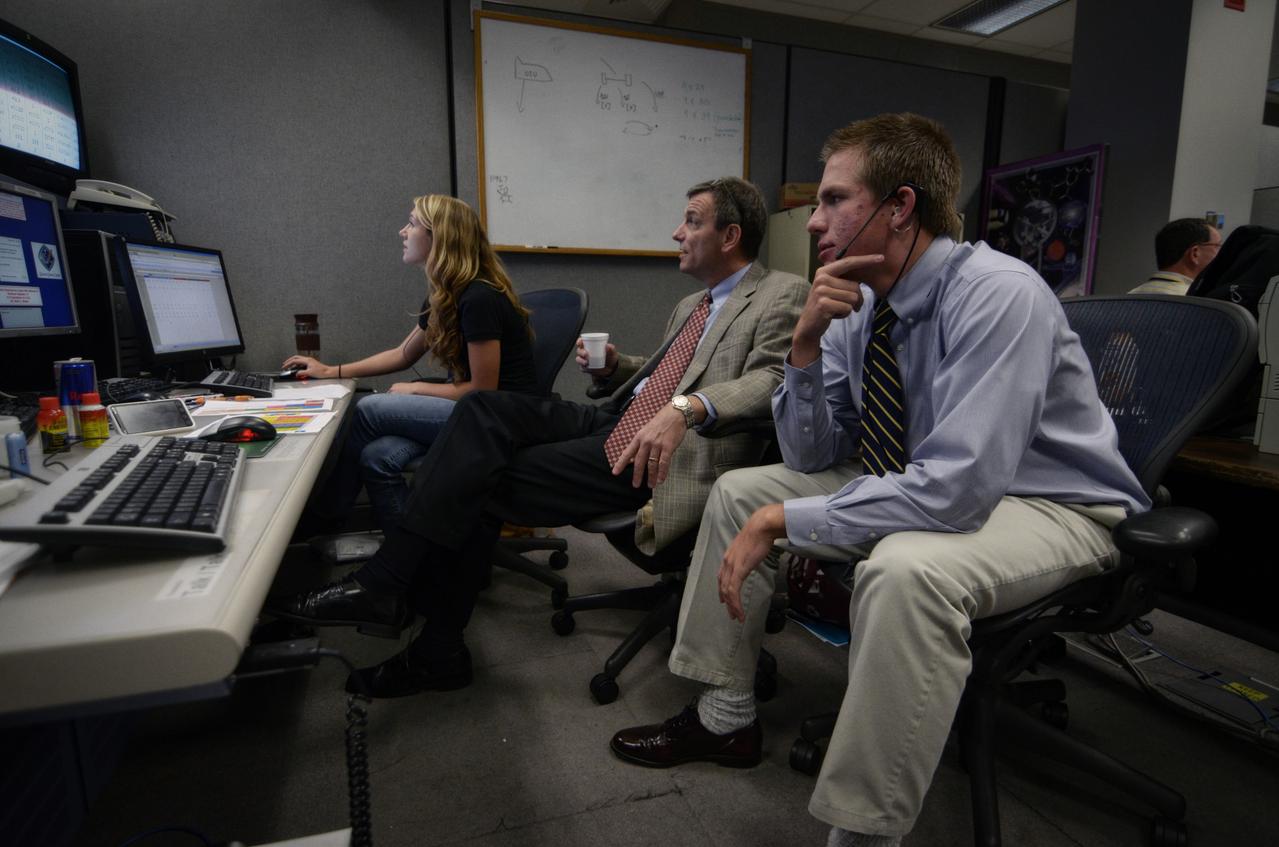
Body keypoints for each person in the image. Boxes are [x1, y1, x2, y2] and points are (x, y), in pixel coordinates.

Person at [609, 114, 1150, 847]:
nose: (815, 219)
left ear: (898, 206)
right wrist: (802, 350)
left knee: (907, 570)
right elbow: (809, 452)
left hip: (1048, 502)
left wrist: (786, 522)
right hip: (920, 475)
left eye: (834, 200)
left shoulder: (997, 292)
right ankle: (724, 716)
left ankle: (861, 836)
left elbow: (957, 488)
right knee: (743, 492)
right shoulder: (856, 303)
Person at [271, 176, 809, 697]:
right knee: (483, 410)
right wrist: (621, 367)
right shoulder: (692, 305)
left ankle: (419, 625)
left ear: (730, 236)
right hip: (614, 419)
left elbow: (775, 379)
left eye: (691, 221)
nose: (676, 233)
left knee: (475, 476)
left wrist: (687, 408)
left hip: (659, 453)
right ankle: (395, 593)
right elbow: (669, 373)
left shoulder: (781, 293)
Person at [286, 194, 536, 532]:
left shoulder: (479, 297)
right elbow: (403, 354)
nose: (403, 231)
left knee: (369, 409)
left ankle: (321, 519)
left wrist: (416, 389)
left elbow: (483, 391)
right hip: (472, 411)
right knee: (376, 456)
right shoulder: (446, 296)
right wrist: (331, 371)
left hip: (498, 418)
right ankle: (409, 551)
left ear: (439, 238)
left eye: (412, 223)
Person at [1129, 217, 1221, 295]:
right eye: (1217, 246)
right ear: (1195, 253)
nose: (1221, 253)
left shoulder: (1131, 295)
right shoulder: (1199, 303)